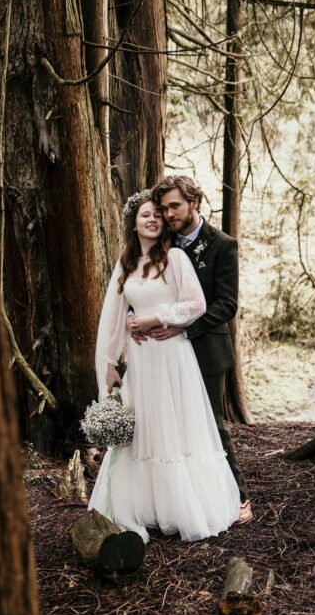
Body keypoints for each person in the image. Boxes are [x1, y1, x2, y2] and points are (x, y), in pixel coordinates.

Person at [88, 190, 241, 543]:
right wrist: (109, 363)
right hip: (141, 360)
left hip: (173, 353)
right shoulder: (126, 265)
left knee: (178, 424)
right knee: (148, 426)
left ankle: (184, 507)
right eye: (146, 215)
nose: (154, 219)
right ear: (134, 223)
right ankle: (148, 505)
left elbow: (195, 304)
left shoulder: (175, 258)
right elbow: (113, 318)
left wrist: (156, 317)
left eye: (158, 215)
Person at [137, 175, 252, 524]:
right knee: (171, 426)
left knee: (211, 424)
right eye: (164, 208)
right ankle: (185, 500)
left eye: (175, 206)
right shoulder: (161, 241)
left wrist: (183, 327)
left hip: (206, 350)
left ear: (194, 203)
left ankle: (239, 496)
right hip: (164, 354)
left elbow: (226, 304)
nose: (168, 214)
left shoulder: (222, 245)